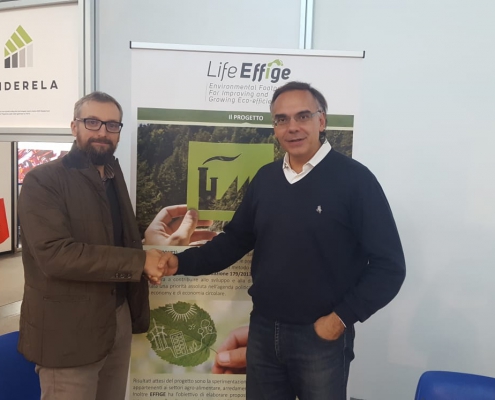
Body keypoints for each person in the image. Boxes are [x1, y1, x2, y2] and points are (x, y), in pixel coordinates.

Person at [161, 81, 406, 400]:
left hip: (321, 337)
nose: (292, 127)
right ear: (275, 127)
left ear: (321, 120)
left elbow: (390, 267)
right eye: (282, 119)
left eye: (303, 116)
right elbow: (234, 241)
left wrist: (340, 319)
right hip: (263, 331)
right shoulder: (266, 179)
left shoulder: (356, 181)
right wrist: (178, 262)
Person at [17, 91, 170, 400]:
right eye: (92, 122)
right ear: (74, 126)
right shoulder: (42, 181)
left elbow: (112, 240)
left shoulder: (113, 175)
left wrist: (148, 252)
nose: (102, 132)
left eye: (112, 125)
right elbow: (56, 256)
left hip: (117, 319)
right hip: (68, 332)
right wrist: (139, 262)